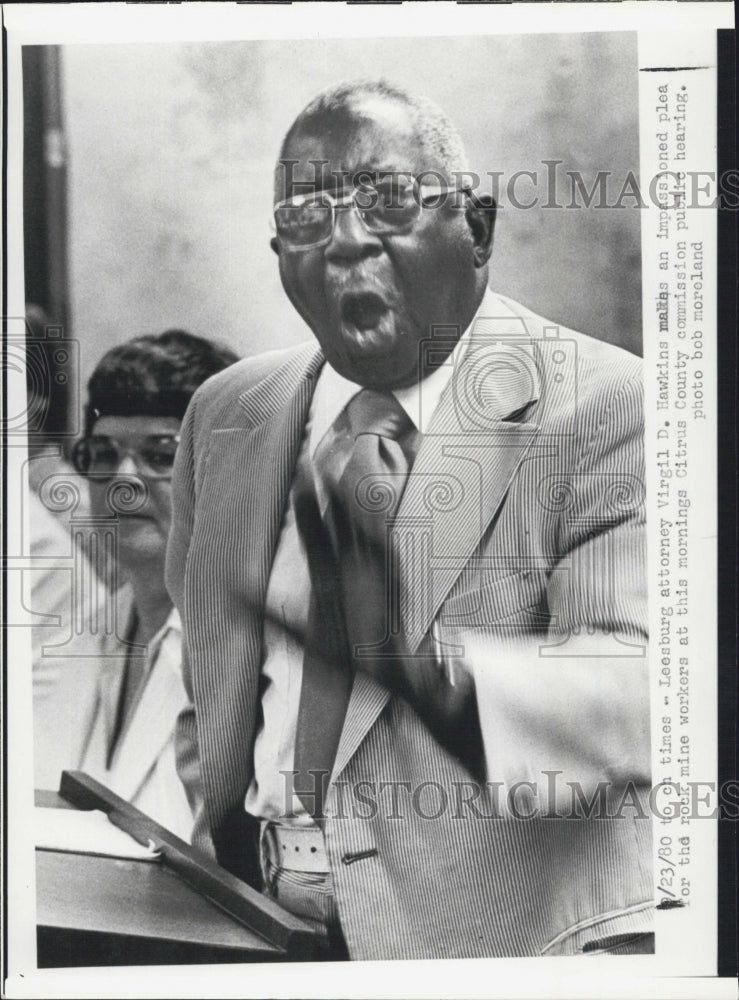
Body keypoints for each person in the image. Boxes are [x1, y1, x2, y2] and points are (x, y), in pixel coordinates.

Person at [166, 81, 652, 958]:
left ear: (477, 227)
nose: (346, 240)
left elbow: (630, 701)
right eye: (307, 216)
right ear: (277, 249)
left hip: (496, 949)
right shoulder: (227, 412)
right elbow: (206, 672)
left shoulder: (606, 406)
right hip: (249, 921)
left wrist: (416, 665)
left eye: (387, 200)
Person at [35, 330, 238, 838]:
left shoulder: (248, 652)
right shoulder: (85, 632)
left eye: (161, 454)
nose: (124, 480)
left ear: (226, 472)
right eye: (103, 454)